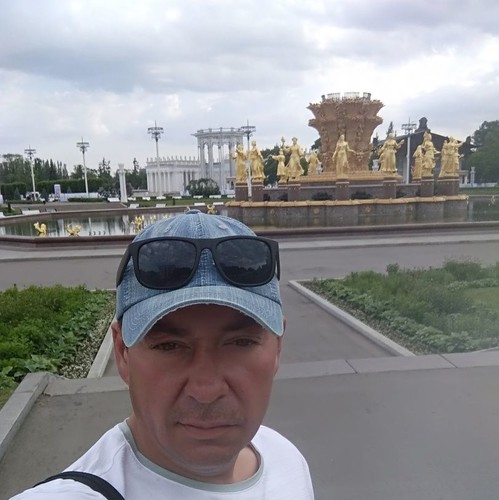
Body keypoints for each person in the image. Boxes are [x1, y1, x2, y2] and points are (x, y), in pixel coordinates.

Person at [12, 209, 314, 500]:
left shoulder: (287, 459)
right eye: (169, 346)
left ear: (278, 347)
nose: (206, 391)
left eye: (241, 343)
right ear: (123, 352)